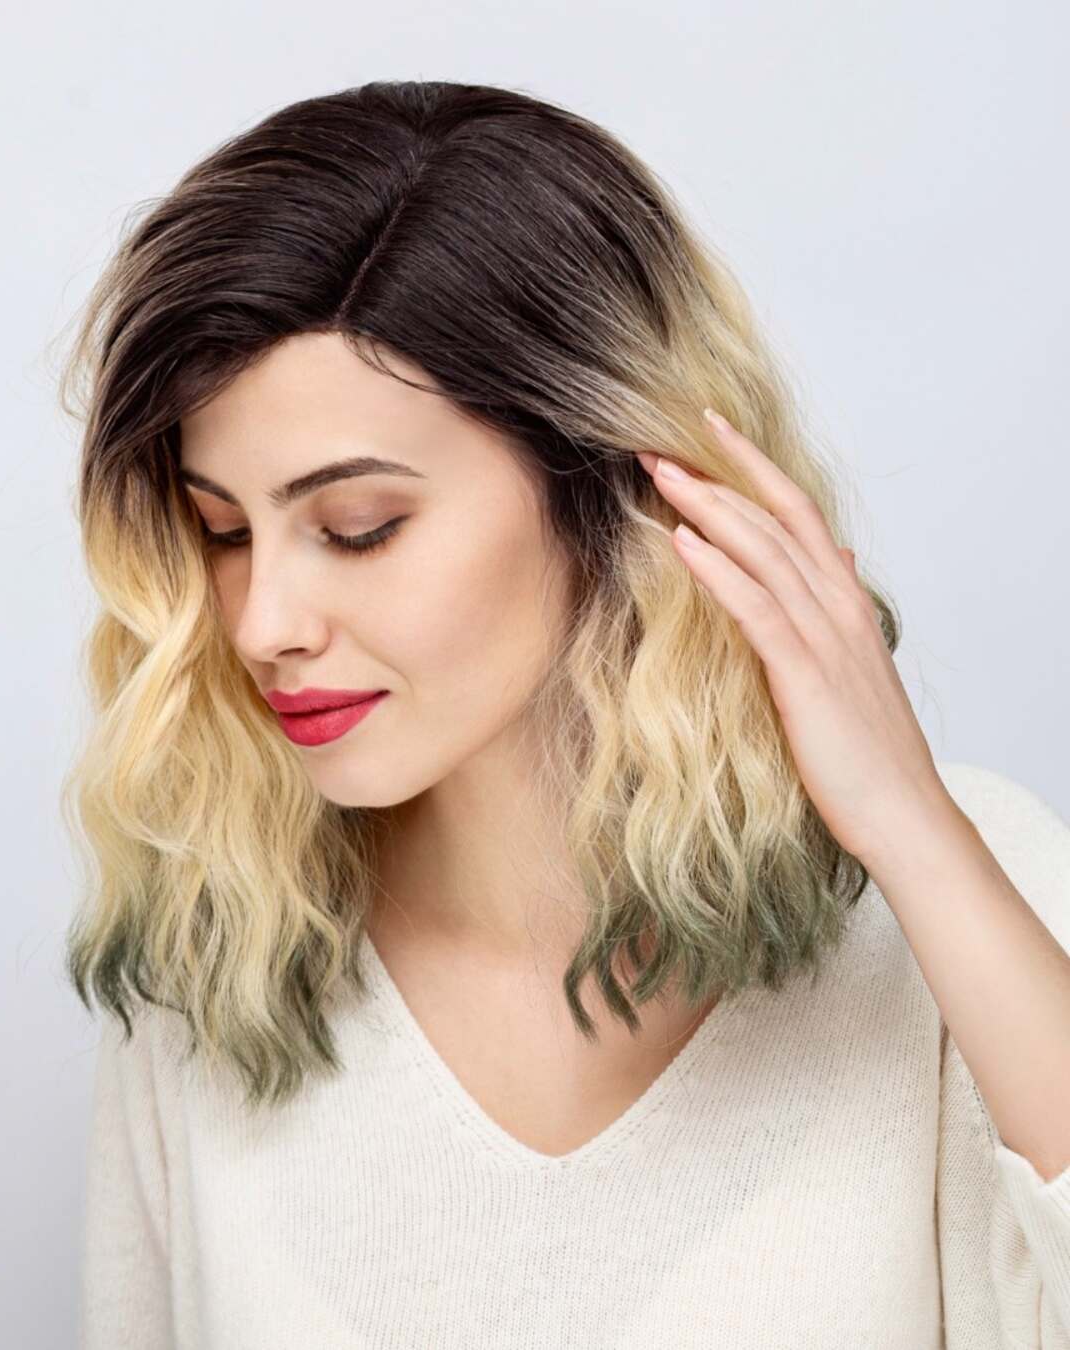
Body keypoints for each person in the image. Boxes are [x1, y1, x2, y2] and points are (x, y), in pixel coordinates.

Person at [61, 80, 1070, 1349]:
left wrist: (910, 830)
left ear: (610, 488)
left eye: (358, 528)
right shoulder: (226, 964)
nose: (264, 622)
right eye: (222, 531)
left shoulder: (967, 893)